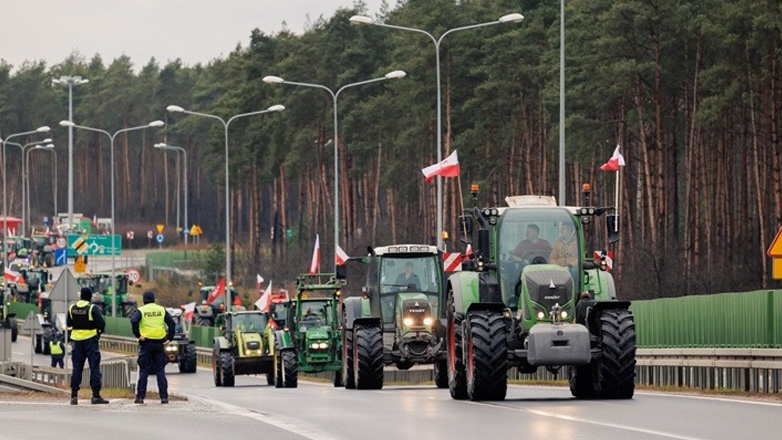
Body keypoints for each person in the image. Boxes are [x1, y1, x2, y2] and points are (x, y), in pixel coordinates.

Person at [130, 291, 176, 405]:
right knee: (160, 370)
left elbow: (134, 320)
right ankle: (164, 397)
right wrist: (169, 337)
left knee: (144, 370)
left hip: (146, 343)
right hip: (159, 343)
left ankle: (140, 398)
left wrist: (138, 335)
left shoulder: (141, 310)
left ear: (144, 300)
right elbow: (172, 323)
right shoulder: (161, 310)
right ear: (153, 299)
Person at [67, 287, 109, 405]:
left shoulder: (72, 308)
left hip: (76, 342)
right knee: (94, 367)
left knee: (77, 368)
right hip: (90, 341)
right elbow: (101, 323)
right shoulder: (92, 308)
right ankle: (96, 395)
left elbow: (68, 323)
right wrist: (98, 331)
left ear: (80, 296)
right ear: (90, 297)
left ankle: (74, 396)